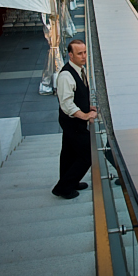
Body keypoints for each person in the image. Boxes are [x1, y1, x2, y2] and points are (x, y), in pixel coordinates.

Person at [52, 39, 97, 199]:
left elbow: (76, 95)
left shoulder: (79, 70)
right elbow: (66, 104)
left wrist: (87, 107)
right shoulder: (66, 75)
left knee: (69, 153)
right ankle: (63, 188)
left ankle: (70, 181)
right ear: (70, 55)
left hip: (73, 121)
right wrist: (85, 115)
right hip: (72, 122)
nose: (84, 56)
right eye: (80, 53)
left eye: (85, 52)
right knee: (88, 154)